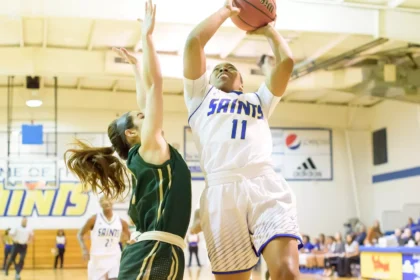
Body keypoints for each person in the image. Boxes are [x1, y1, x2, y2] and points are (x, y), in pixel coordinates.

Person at [64, 1, 191, 279]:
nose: (149, 115)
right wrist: (147, 38)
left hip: (155, 249)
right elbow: (154, 85)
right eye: (141, 116)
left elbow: (146, 94)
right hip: (154, 251)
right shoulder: (149, 149)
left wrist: (135, 68)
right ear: (132, 134)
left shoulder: (148, 152)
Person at [182, 0, 301, 278]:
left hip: (264, 186)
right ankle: (202, 213)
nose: (223, 69)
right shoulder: (201, 97)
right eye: (217, 69)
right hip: (222, 192)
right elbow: (193, 42)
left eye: (230, 68)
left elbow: (287, 62)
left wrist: (269, 30)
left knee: (287, 271)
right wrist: (227, 11)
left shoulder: (258, 99)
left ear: (242, 82)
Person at [77, 195, 130, 280]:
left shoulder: (121, 221)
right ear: (100, 204)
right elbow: (80, 234)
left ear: (113, 202)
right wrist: (84, 249)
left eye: (108, 200)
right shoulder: (93, 219)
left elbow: (129, 238)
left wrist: (127, 250)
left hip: (114, 256)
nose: (106, 203)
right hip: (97, 258)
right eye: (103, 201)